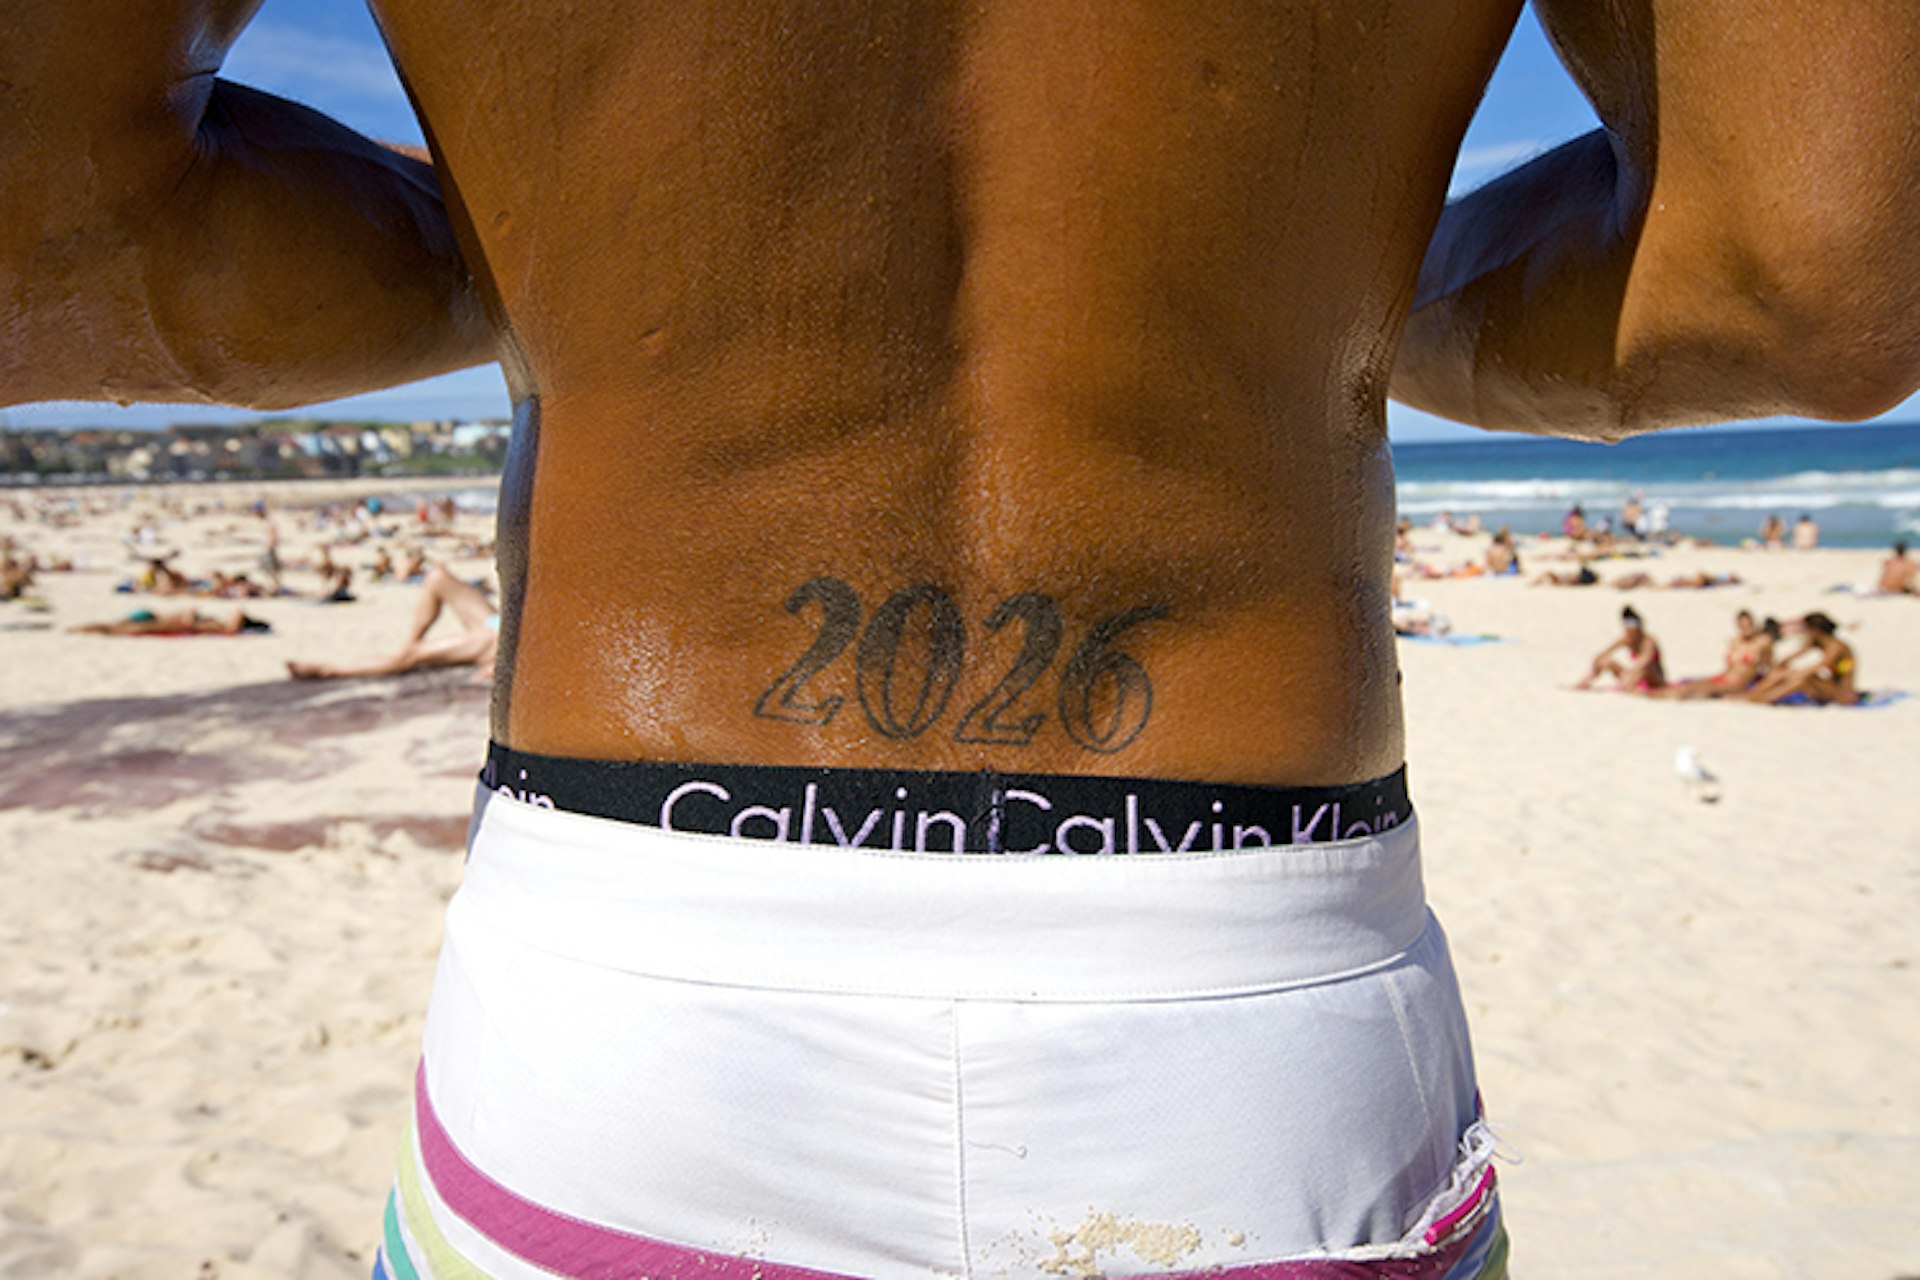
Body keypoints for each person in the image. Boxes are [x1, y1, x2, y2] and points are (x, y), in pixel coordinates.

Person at [10, 3, 1920, 1277]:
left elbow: (46, 229)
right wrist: (1312, 314)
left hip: (637, 978)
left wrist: (557, 270)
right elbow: (1806, 280)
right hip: (1250, 981)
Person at [287, 565, 498, 680]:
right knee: (437, 576)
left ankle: (329, 670)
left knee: (413, 655)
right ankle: (410, 643)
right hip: (502, 624)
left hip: (501, 642)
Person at [1747, 612, 1860, 706]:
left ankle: (1765, 698)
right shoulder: (1817, 642)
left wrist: (1793, 674)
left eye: (1806, 629)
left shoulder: (1836, 647)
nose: (1804, 633)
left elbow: (1818, 666)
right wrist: (1782, 666)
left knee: (1800, 680)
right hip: (1829, 687)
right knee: (1783, 673)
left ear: (1815, 630)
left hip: (1843, 694)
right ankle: (1754, 695)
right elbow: (1792, 656)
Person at [1658, 610, 1776, 699]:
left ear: (1754, 623)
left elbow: (1769, 665)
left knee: (1692, 691)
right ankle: (1654, 694)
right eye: (1742, 626)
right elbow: (1728, 668)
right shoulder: (1735, 641)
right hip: (1724, 676)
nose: (1746, 628)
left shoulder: (1763, 642)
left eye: (1749, 624)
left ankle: (1657, 697)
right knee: (1688, 684)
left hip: (1739, 683)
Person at [1575, 606, 1667, 693]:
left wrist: (1630, 673)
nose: (1629, 633)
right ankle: (1584, 683)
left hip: (1654, 677)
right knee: (1605, 661)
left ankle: (1630, 684)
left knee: (1645, 668)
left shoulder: (1648, 640)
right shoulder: (1627, 639)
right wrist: (1593, 673)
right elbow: (1602, 654)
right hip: (1634, 675)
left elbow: (1645, 660)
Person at [72, 607, 271, 636]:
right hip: (170, 621)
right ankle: (77, 629)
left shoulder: (225, 628)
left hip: (174, 624)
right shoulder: (221, 625)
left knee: (117, 627)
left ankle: (77, 629)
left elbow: (238, 612)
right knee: (117, 626)